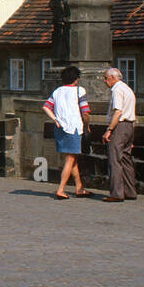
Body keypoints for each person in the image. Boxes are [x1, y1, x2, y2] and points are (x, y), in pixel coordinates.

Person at [43, 66, 92, 199]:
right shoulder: (79, 90)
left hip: (60, 128)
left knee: (72, 157)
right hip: (73, 128)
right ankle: (61, 189)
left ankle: (79, 188)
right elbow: (85, 112)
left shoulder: (58, 91)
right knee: (70, 159)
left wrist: (55, 119)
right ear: (76, 79)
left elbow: (46, 106)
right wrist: (86, 124)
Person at [101, 66, 137, 202]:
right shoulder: (128, 89)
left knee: (114, 159)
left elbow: (118, 111)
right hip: (129, 126)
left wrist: (109, 130)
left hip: (120, 126)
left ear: (113, 78)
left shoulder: (117, 90)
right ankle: (130, 191)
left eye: (106, 78)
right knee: (126, 159)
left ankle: (116, 193)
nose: (105, 81)